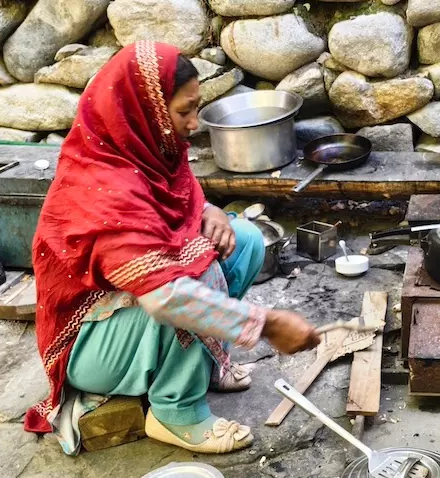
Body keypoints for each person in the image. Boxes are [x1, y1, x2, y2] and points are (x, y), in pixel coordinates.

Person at [24, 41, 320, 456]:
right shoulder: (103, 185)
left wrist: (208, 210)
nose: (195, 124)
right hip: (90, 348)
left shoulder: (144, 148)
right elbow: (166, 298)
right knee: (194, 278)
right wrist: (267, 325)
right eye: (184, 112)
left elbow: (176, 196)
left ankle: (205, 362)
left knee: (245, 239)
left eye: (196, 108)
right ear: (146, 111)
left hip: (128, 304)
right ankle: (175, 411)